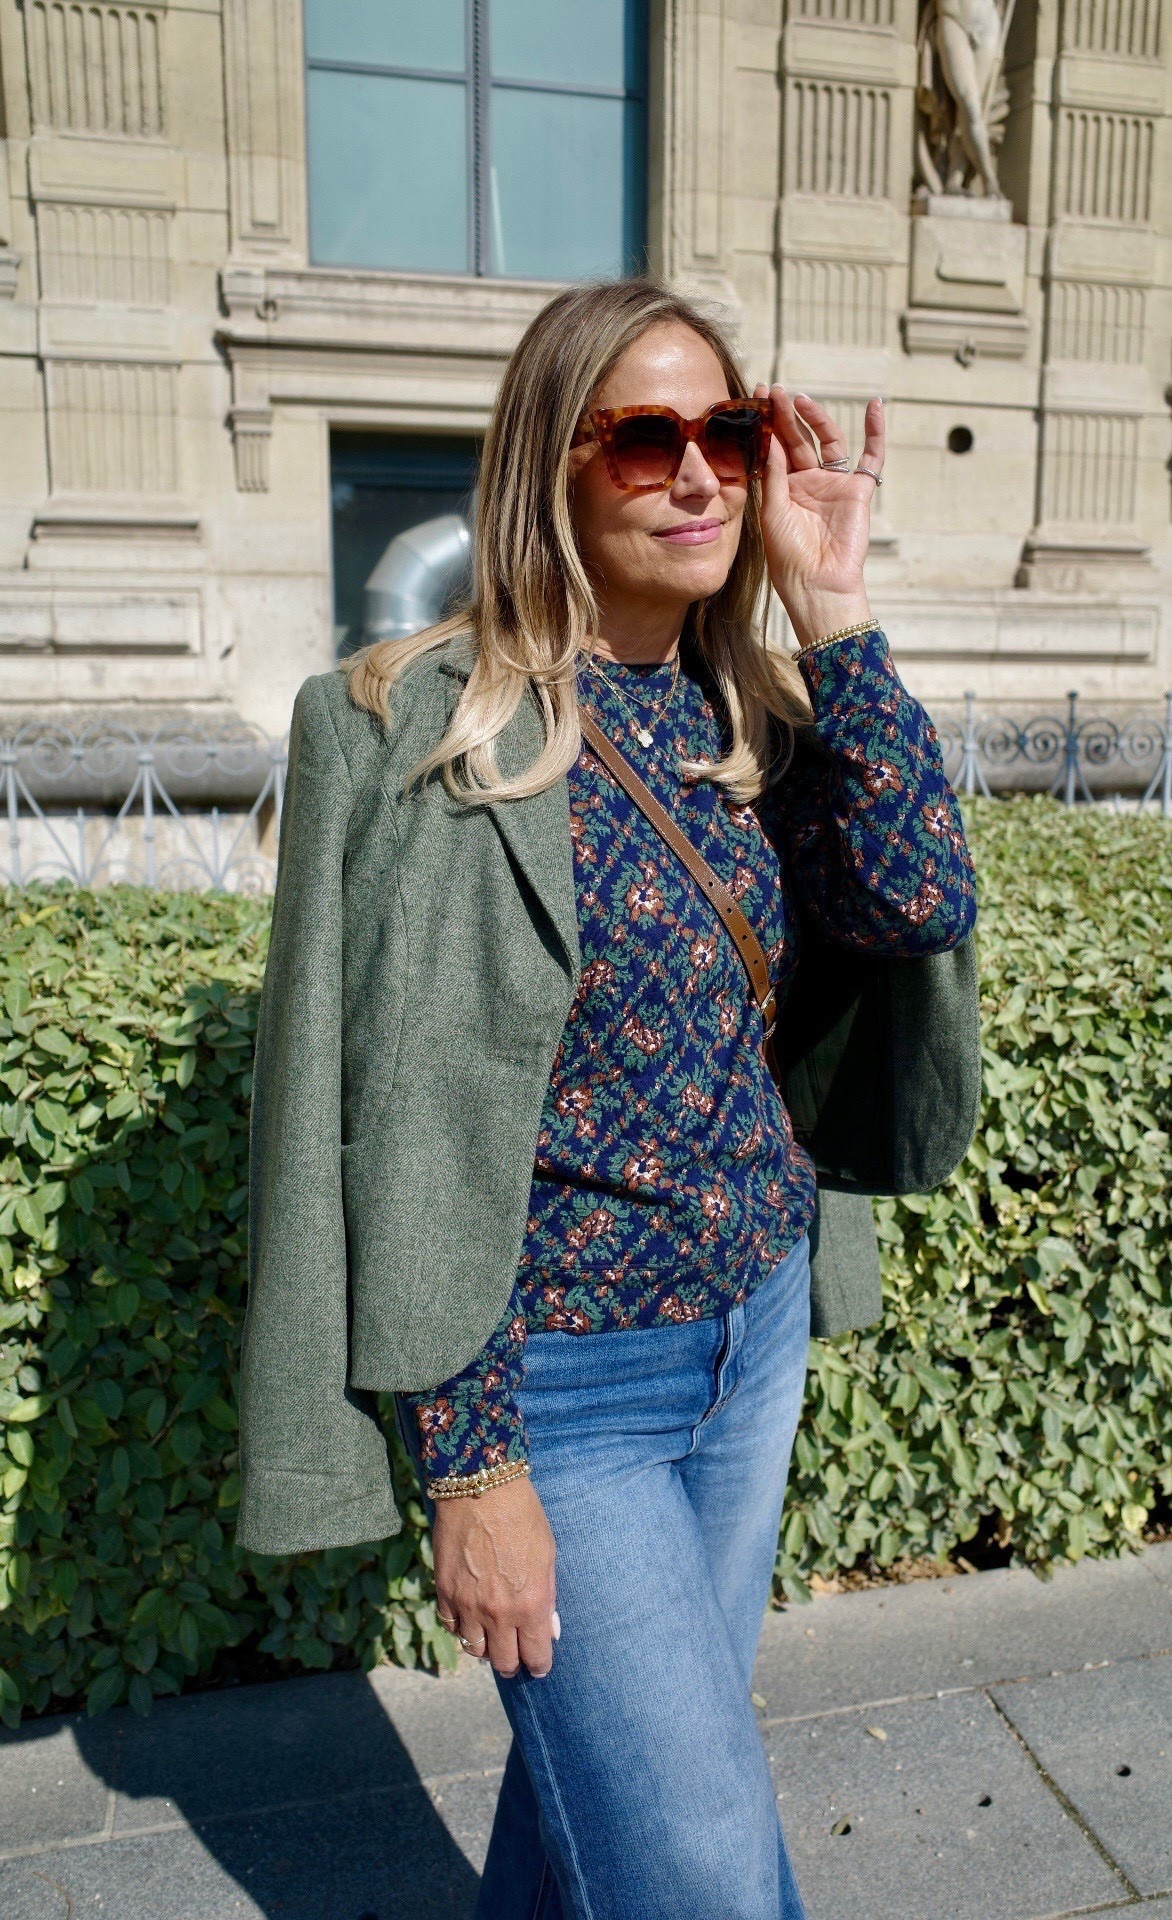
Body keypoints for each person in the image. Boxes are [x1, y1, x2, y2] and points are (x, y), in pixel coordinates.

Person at [236, 277, 977, 1920]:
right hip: (558, 1392)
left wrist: (835, 609)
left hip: (749, 1338)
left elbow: (920, 904)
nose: (704, 474)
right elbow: (380, 1126)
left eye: (727, 432)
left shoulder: (766, 719)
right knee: (705, 1869)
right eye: (649, 439)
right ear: (552, 469)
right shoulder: (405, 727)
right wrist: (472, 1459)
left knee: (607, 1823)